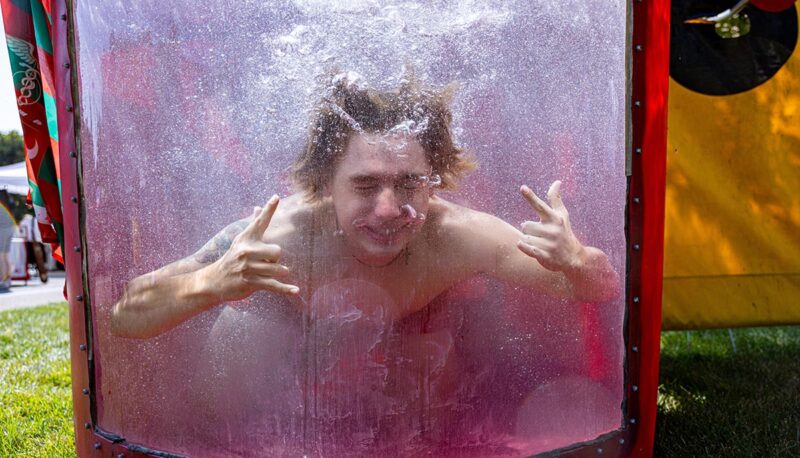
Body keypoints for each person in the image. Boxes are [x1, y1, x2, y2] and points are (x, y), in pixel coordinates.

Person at [110, 73, 620, 339]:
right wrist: (210, 284)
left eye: (409, 183)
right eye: (365, 184)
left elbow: (602, 289)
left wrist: (577, 261)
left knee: (435, 353)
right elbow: (125, 315)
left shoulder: (459, 234)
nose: (387, 209)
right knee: (244, 345)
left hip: (410, 360)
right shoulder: (279, 237)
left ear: (434, 181)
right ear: (324, 184)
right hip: (292, 362)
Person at [0, 190, 16, 292]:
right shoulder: (9, 199)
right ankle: (7, 280)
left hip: (3, 229)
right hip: (9, 228)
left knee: (2, 257)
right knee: (5, 256)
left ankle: (4, 280)